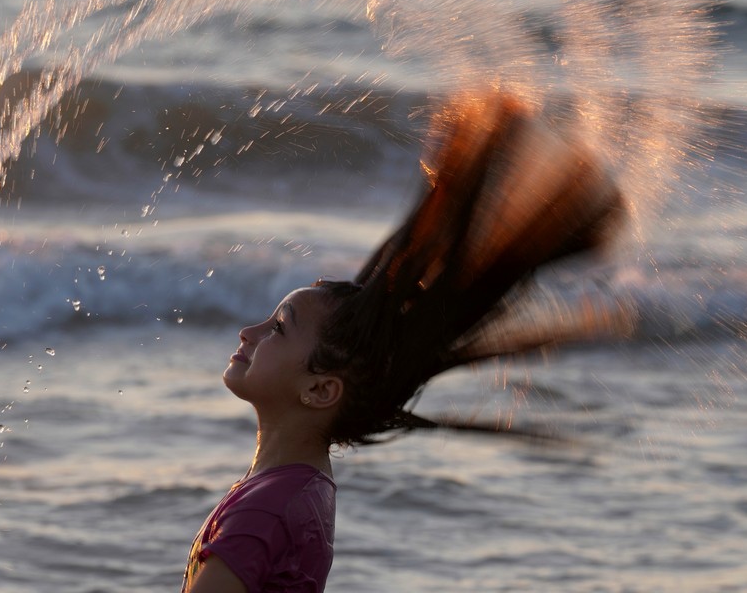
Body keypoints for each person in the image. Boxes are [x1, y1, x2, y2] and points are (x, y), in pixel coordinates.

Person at [181, 90, 630, 593]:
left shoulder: (266, 507)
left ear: (321, 390)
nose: (250, 332)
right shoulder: (303, 487)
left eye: (278, 328)